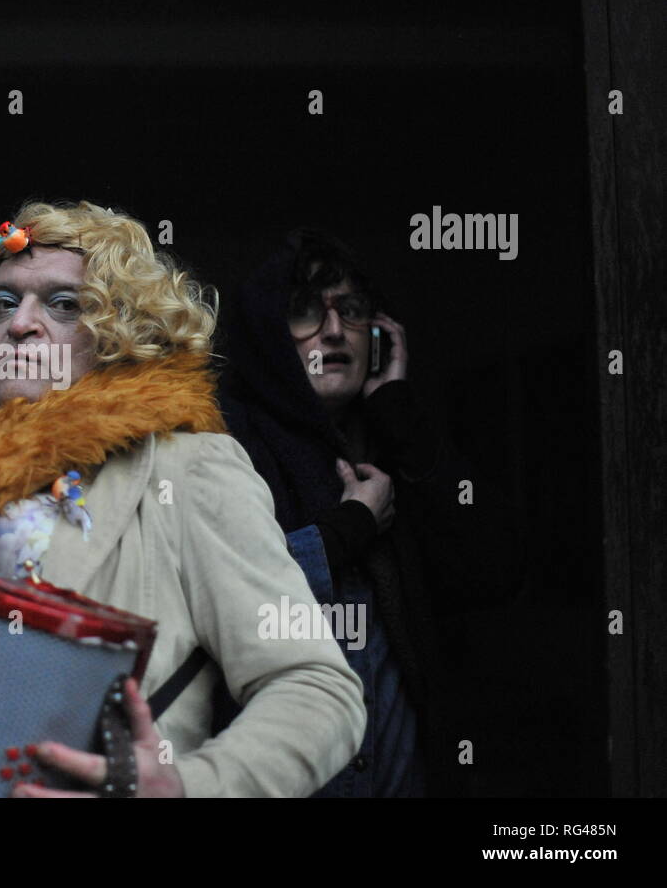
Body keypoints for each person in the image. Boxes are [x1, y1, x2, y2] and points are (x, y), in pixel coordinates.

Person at [0, 201, 365, 797]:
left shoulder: (188, 467)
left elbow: (316, 688)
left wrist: (188, 788)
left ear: (118, 331)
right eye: (3, 302)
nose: (21, 323)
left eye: (63, 303)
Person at [222, 227, 517, 797]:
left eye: (351, 310)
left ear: (378, 332)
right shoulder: (225, 440)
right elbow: (225, 603)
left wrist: (400, 415)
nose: (334, 330)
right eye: (305, 311)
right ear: (269, 332)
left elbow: (494, 569)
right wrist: (349, 527)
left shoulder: (393, 442)